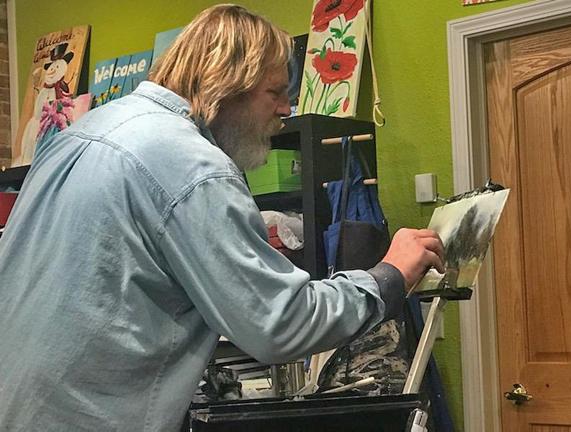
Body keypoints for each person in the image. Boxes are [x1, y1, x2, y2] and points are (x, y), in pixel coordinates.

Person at [0, 4, 444, 432]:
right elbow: (279, 323)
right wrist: (389, 276)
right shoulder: (192, 165)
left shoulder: (80, 134)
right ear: (225, 84)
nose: (286, 110)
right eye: (275, 92)